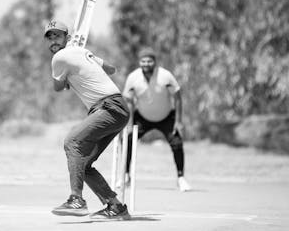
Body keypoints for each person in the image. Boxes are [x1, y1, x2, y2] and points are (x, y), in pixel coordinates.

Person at [44, 20, 131, 220]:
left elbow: (57, 88)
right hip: (115, 108)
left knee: (72, 142)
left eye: (57, 35)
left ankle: (76, 199)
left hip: (108, 107)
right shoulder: (82, 53)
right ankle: (115, 206)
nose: (53, 40)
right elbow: (111, 69)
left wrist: (67, 77)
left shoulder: (59, 58)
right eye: (49, 37)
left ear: (67, 36)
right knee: (83, 163)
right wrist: (86, 60)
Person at [122, 47, 191, 191]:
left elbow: (177, 98)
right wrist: (129, 123)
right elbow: (128, 101)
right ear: (139, 62)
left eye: (149, 61)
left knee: (177, 143)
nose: (146, 64)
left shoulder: (166, 76)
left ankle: (181, 178)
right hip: (142, 117)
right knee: (127, 141)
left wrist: (178, 121)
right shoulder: (133, 77)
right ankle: (126, 176)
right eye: (143, 61)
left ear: (154, 62)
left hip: (166, 116)